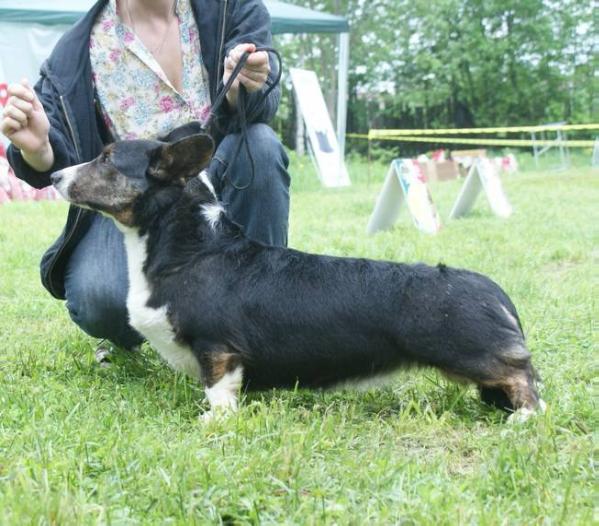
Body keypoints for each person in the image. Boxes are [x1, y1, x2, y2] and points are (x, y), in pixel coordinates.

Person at [1, 0, 290, 356]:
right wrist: (38, 147)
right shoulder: (77, 49)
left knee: (261, 145)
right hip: (135, 204)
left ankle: (266, 317)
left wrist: (242, 89)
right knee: (97, 298)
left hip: (218, 174)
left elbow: (262, 105)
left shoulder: (233, 8)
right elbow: (55, 155)